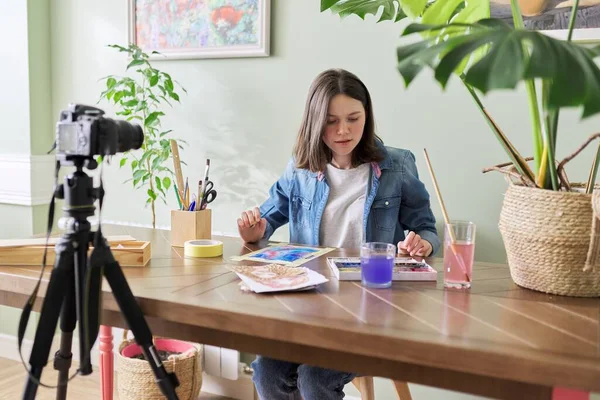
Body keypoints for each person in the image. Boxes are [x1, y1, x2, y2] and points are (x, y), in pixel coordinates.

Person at [236, 68, 441, 400]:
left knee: (314, 379)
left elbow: (428, 230)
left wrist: (422, 245)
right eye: (331, 121)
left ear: (367, 116)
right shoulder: (300, 167)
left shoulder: (398, 166)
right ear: (316, 122)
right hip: (308, 311)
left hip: (371, 313)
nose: (344, 130)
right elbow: (265, 222)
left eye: (353, 118)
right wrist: (254, 230)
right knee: (266, 371)